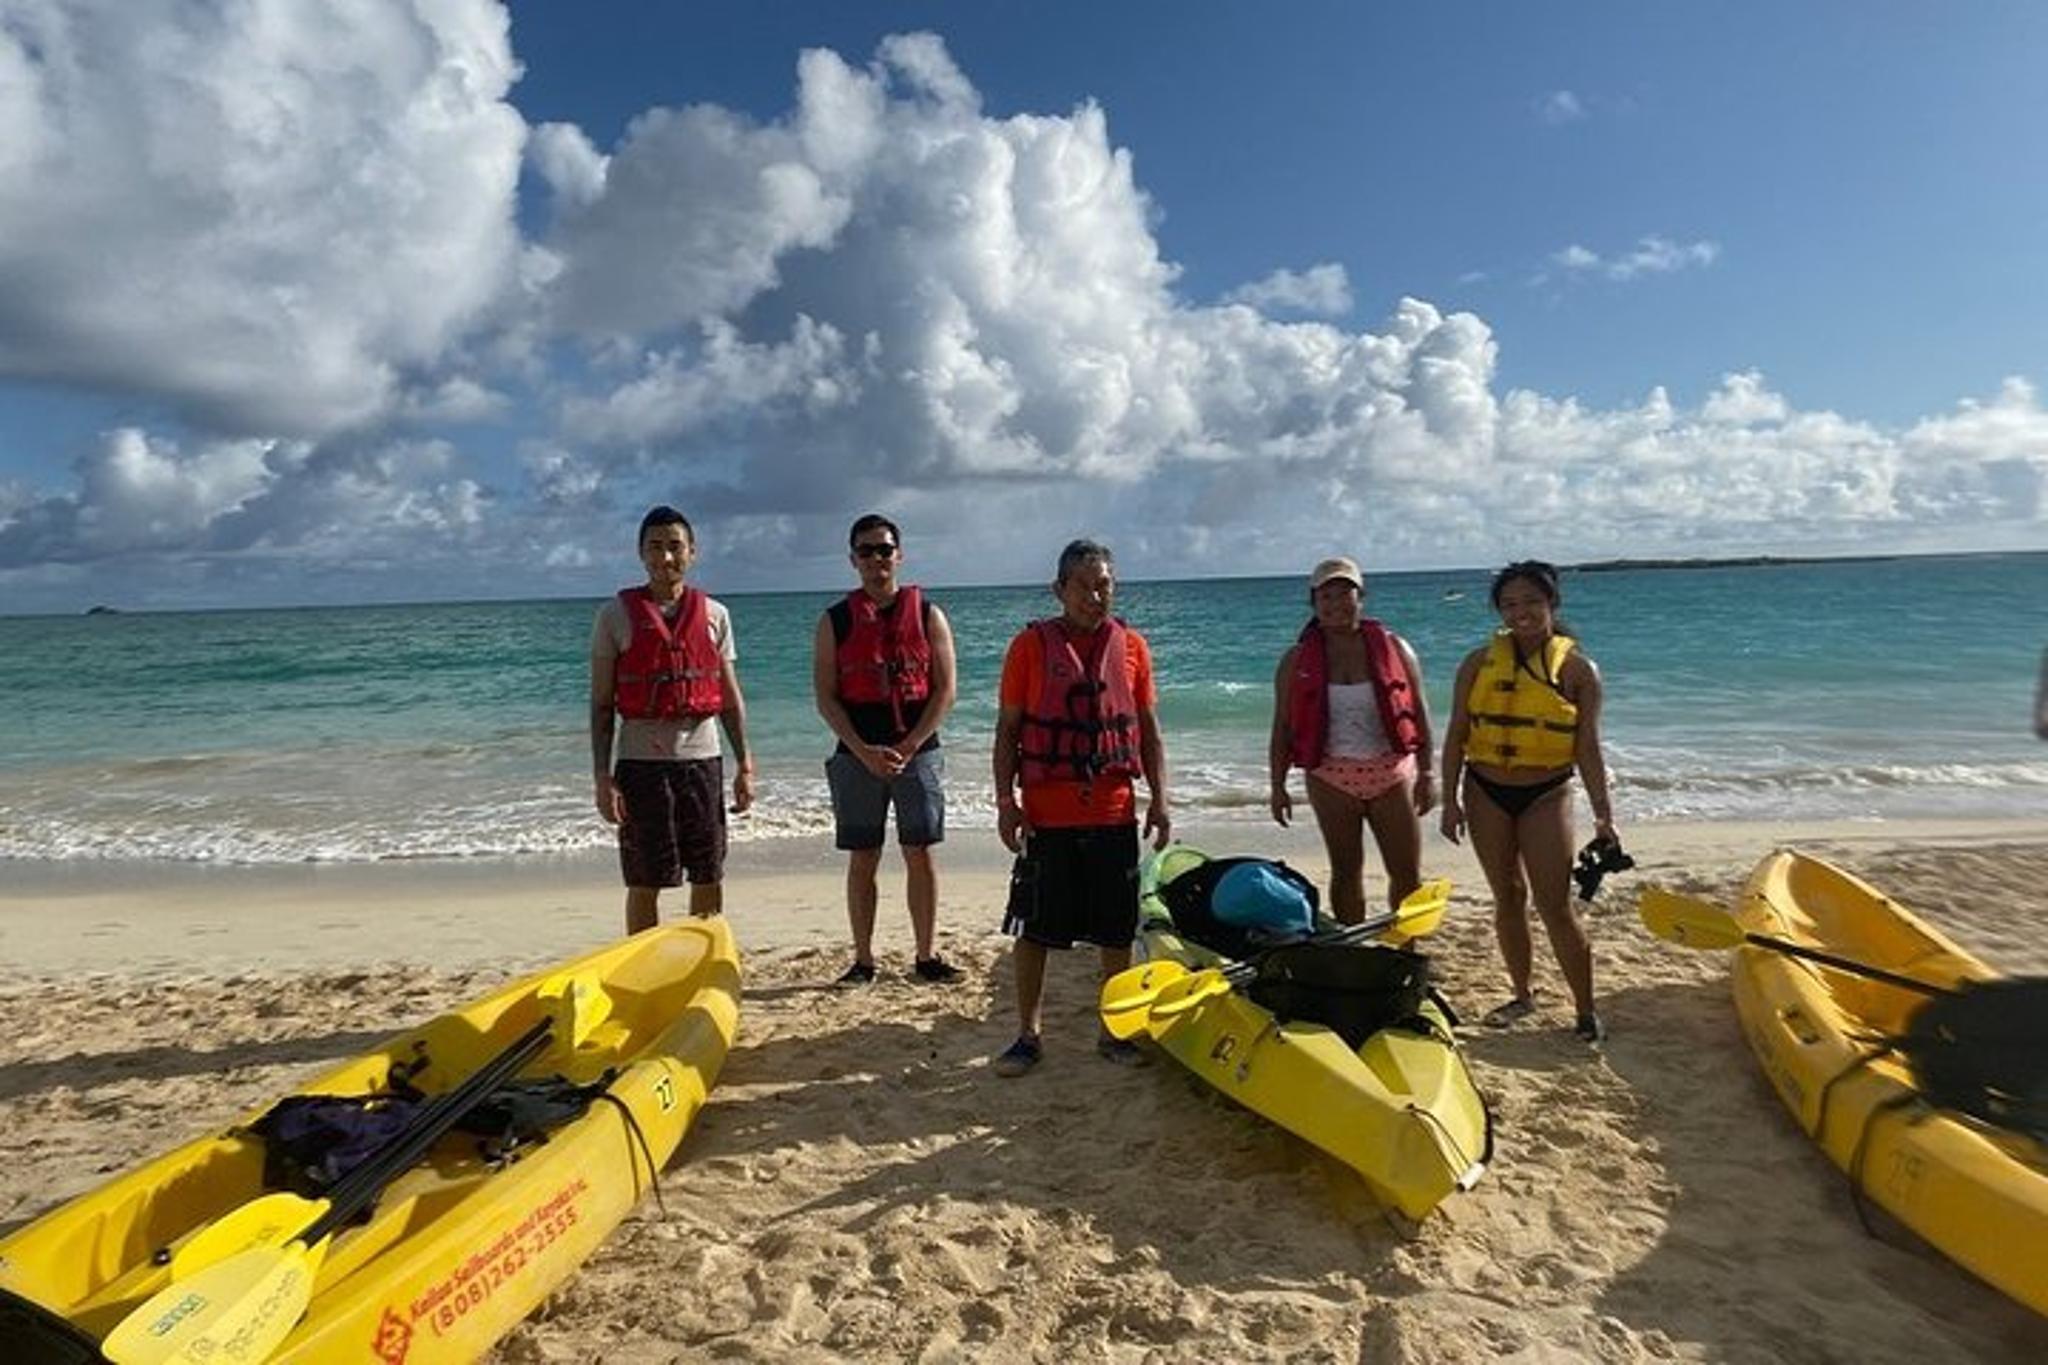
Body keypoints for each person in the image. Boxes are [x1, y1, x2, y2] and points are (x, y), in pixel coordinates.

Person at [991, 539, 1171, 1075]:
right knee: (1037, 929)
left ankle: (1113, 1032)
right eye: (1085, 586)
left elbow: (1149, 733)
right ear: (1060, 590)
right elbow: (1008, 732)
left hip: (1114, 811)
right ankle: (1028, 1034)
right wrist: (1006, 802)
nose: (1096, 596)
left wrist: (1160, 799)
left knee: (1116, 930)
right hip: (1048, 815)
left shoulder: (1133, 647)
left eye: (1105, 585)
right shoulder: (1029, 648)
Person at [1438, 560, 1616, 1043]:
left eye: (1532, 602)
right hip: (1485, 790)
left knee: (1555, 905)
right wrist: (1449, 798)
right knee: (1508, 897)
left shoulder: (1579, 670)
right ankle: (1522, 993)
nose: (1521, 612)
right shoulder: (1478, 663)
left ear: (1552, 604)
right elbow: (1457, 733)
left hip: (1547, 792)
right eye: (1510, 603)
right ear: (1498, 609)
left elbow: (1588, 748)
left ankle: (1585, 1009)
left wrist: (1604, 814)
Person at [811, 514, 962, 985]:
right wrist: (862, 751)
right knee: (864, 855)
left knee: (920, 851)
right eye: (866, 550)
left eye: (884, 549)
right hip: (857, 753)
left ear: (899, 554)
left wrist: (909, 744)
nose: (876, 558)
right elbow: (826, 697)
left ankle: (925, 955)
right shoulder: (834, 621)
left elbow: (945, 689)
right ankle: (863, 960)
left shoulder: (927, 614)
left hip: (917, 748)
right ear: (852, 559)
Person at [590, 506, 753, 934]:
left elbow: (731, 699)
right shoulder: (614, 616)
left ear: (692, 552)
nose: (665, 558)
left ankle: (699, 963)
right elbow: (602, 705)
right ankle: (643, 970)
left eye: (675, 547)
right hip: (640, 764)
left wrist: (745, 766)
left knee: (708, 871)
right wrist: (602, 778)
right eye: (655, 548)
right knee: (645, 877)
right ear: (641, 554)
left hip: (702, 759)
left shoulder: (716, 615)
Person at [1268, 557, 1434, 924]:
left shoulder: (1396, 649)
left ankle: (1409, 949)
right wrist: (1277, 786)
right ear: (1314, 603)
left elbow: (1419, 714)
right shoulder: (1296, 660)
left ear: (1362, 598)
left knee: (1406, 872)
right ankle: (1353, 954)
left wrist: (1427, 774)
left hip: (1391, 773)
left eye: (1346, 594)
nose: (1336, 604)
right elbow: (1281, 726)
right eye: (1326, 596)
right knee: (1345, 871)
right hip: (1331, 777)